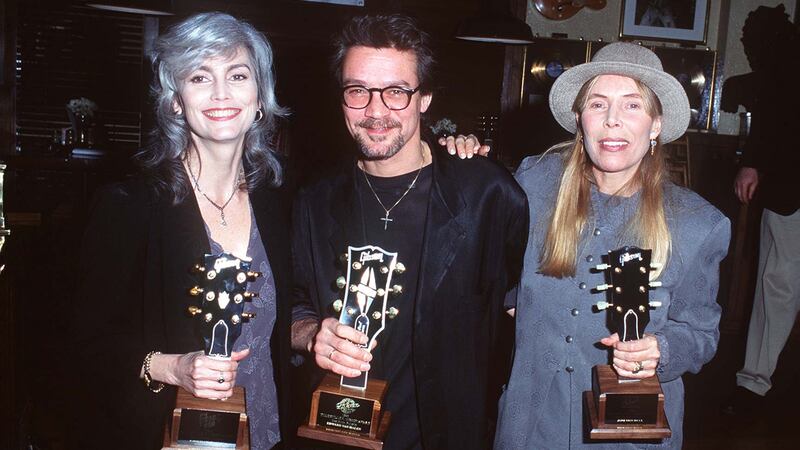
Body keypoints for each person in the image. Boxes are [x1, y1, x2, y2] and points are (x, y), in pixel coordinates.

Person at [290, 14, 528, 450]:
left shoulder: (486, 193)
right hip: (337, 434)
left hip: (445, 436)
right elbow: (291, 301)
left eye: (396, 92)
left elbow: (523, 304)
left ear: (425, 98)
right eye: (358, 90)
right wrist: (310, 335)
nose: (375, 111)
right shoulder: (314, 198)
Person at [70, 13, 294, 450]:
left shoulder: (281, 200)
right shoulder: (129, 205)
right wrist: (172, 367)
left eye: (237, 75)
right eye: (199, 77)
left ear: (260, 96)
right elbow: (86, 344)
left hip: (268, 432)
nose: (221, 93)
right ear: (175, 101)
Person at [494, 42, 730, 449]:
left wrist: (661, 349)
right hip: (531, 423)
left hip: (629, 434)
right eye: (598, 104)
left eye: (632, 105)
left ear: (655, 125)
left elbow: (701, 334)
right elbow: (485, 263)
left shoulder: (697, 224)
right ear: (579, 120)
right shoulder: (533, 184)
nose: (612, 120)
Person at [727, 4, 800, 413]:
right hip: (790, 190)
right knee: (779, 282)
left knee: (777, 284)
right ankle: (756, 381)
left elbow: (773, 114)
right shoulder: (783, 62)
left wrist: (752, 162)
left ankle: (755, 382)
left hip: (790, 189)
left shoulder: (780, 63)